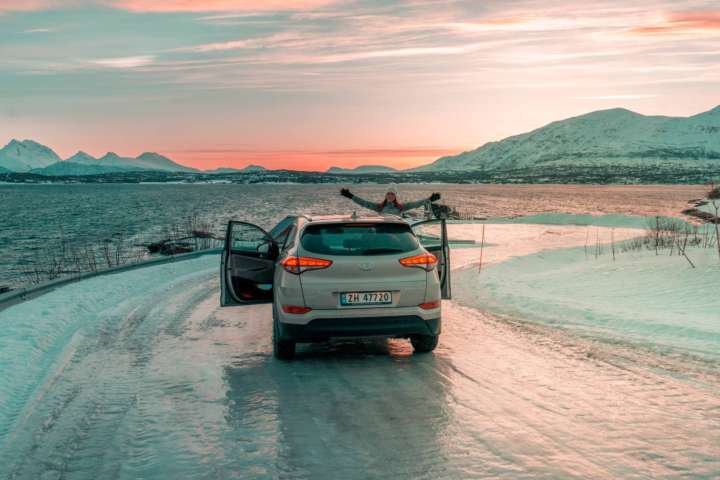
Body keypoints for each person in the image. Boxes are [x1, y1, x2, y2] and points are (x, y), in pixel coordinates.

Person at [340, 185, 441, 216]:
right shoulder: (379, 207)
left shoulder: (401, 207)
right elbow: (364, 203)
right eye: (388, 193)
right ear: (386, 195)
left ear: (395, 196)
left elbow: (416, 204)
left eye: (392, 194)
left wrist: (430, 199)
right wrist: (350, 196)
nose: (390, 195)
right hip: (382, 231)